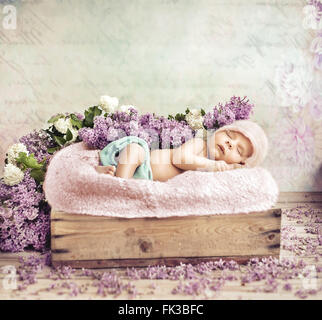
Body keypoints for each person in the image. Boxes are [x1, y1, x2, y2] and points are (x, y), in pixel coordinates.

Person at [95, 119, 268, 182]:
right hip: (143, 161)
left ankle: (108, 175)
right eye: (229, 135)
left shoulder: (218, 175)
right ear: (219, 132)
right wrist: (211, 165)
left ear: (240, 163)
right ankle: (118, 185)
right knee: (134, 149)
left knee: (128, 175)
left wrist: (225, 169)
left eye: (238, 149)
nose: (230, 143)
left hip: (143, 180)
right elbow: (180, 158)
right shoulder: (200, 144)